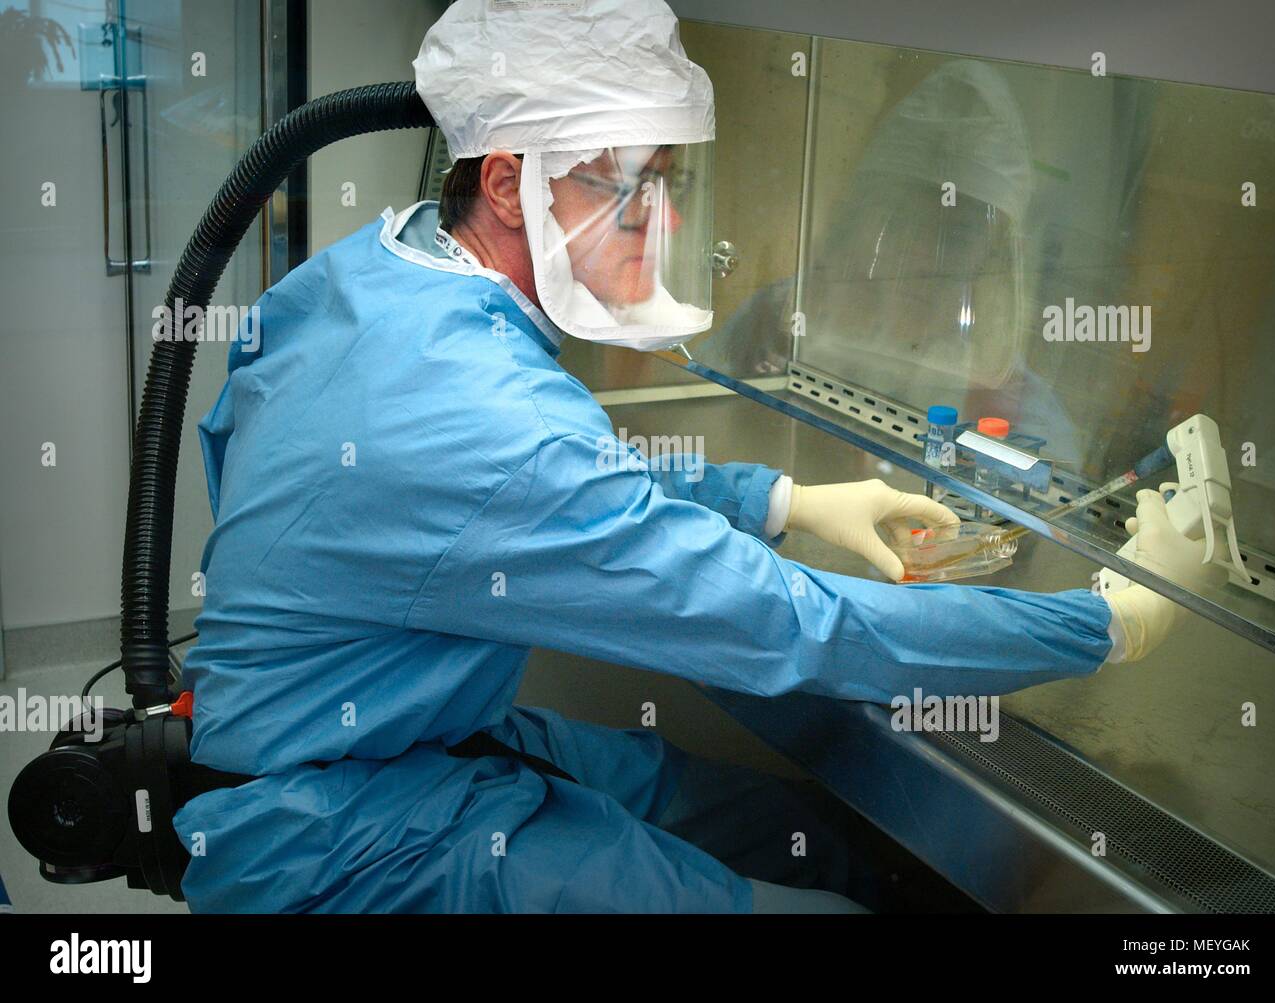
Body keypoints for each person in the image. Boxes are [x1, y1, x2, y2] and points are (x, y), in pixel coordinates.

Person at [172, 0, 1218, 914]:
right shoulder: (491, 416)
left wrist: (782, 497)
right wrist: (1104, 623)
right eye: (629, 186)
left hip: (406, 735)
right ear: (505, 182)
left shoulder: (381, 270)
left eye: (670, 183)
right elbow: (792, 626)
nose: (662, 223)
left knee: (801, 828)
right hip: (338, 838)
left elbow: (522, 486)